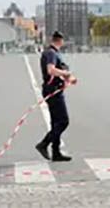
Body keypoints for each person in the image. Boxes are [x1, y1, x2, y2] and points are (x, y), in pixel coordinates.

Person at [35, 31, 76, 162]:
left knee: (55, 122)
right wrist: (66, 73)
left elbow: (57, 72)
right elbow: (51, 70)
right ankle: (44, 144)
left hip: (53, 88)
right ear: (60, 40)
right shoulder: (52, 53)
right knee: (63, 121)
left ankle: (56, 152)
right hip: (54, 90)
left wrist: (68, 78)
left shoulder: (50, 52)